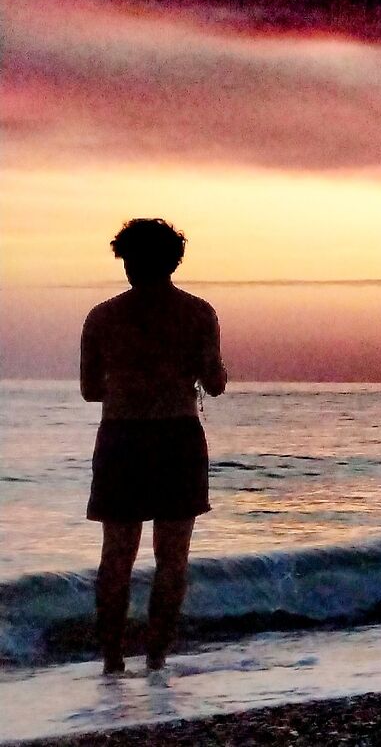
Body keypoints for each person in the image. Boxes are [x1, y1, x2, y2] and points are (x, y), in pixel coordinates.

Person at [81, 219, 226, 674]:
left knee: (116, 555)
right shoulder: (198, 313)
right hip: (177, 438)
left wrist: (130, 382)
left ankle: (112, 662)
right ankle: (157, 660)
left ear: (128, 261)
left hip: (122, 437)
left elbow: (89, 390)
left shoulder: (102, 317)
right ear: (173, 262)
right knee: (172, 558)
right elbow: (215, 383)